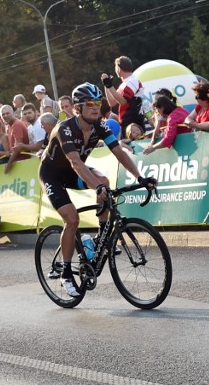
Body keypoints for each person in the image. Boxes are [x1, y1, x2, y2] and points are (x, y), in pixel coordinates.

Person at [38, 82, 155, 297]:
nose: (95, 107)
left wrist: (140, 177)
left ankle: (101, 237)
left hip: (74, 173)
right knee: (72, 219)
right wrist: (96, 186)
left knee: (105, 181)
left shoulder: (101, 125)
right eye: (89, 103)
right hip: (52, 176)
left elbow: (119, 152)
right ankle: (65, 272)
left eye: (98, 103)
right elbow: (75, 162)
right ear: (77, 108)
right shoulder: (65, 128)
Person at [101, 55, 146, 136]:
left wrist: (110, 86)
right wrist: (106, 85)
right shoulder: (124, 84)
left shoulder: (133, 81)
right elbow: (112, 103)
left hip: (134, 123)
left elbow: (123, 102)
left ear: (119, 68)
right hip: (126, 123)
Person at [4, 103, 46, 173]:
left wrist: (22, 146)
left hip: (43, 159)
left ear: (35, 112)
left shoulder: (39, 125)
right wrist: (18, 148)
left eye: (29, 113)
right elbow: (30, 145)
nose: (27, 115)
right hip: (35, 159)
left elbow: (39, 146)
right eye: (25, 114)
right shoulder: (30, 127)